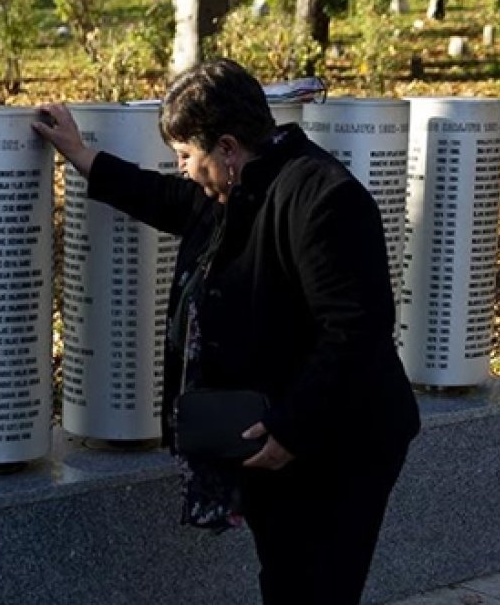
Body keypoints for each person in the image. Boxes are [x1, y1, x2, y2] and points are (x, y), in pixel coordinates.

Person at [33, 59, 420, 603]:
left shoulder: (323, 198)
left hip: (340, 444)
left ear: (229, 148)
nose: (184, 171)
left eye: (187, 156)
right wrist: (80, 154)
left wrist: (291, 431)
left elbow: (356, 333)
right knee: (284, 576)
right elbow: (163, 199)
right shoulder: (240, 187)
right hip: (278, 433)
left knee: (319, 585)